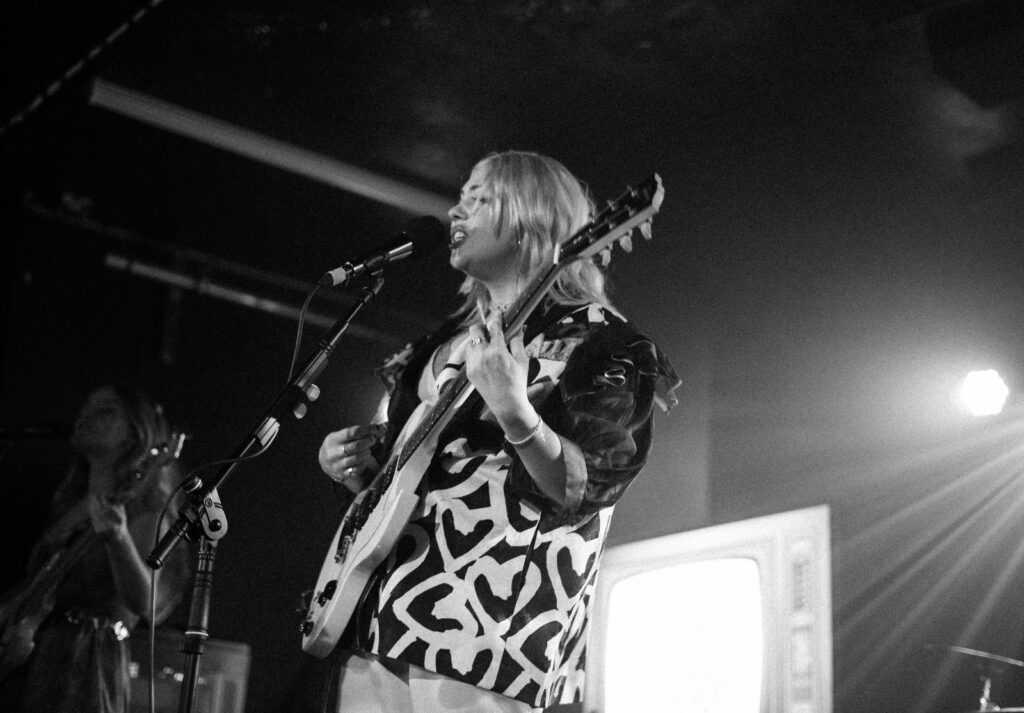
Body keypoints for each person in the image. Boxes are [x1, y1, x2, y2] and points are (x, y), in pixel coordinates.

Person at [317, 150, 678, 712]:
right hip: (377, 614)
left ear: (530, 216)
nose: (457, 211)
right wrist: (353, 467)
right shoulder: (438, 345)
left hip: (486, 634)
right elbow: (409, 478)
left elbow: (586, 487)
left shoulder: (601, 343)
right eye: (462, 196)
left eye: (479, 197)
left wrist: (516, 413)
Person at [0, 383, 190, 713]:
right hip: (34, 657)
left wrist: (119, 540)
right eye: (86, 408)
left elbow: (148, 603)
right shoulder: (69, 501)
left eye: (105, 410)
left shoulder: (148, 505)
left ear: (136, 433)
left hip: (87, 664)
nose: (86, 417)